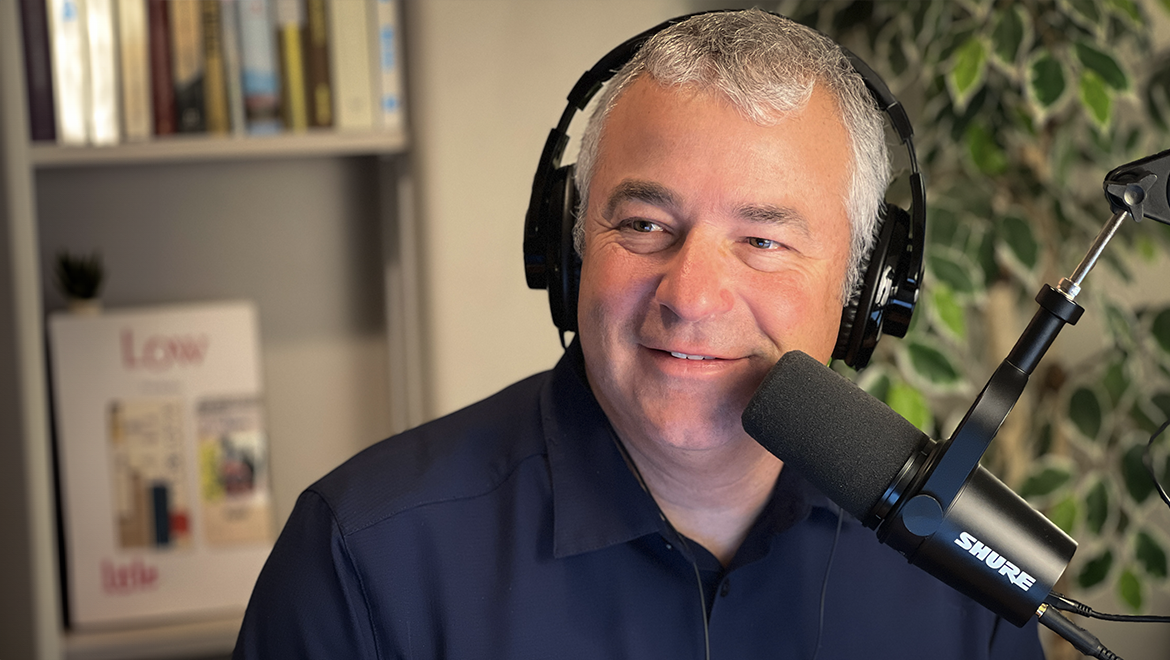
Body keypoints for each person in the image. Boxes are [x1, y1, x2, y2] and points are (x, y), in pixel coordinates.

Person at [233, 9, 1045, 659]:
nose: (691, 295)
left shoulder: (956, 570)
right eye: (646, 223)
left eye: (762, 241)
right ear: (569, 247)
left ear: (866, 294)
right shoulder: (362, 557)